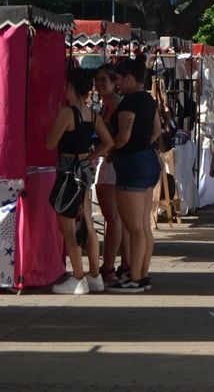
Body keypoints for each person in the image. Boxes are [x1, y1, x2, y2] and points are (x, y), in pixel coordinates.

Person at [45, 68, 114, 295]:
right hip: (84, 170)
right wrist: (91, 157)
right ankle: (95, 276)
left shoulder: (67, 113)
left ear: (70, 87)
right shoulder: (92, 114)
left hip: (67, 171)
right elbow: (108, 141)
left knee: (67, 226)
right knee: (87, 222)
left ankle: (77, 276)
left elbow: (50, 143)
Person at [111, 57, 162, 293]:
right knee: (142, 225)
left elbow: (123, 136)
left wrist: (109, 151)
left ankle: (135, 276)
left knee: (134, 227)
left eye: (118, 78)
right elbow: (157, 131)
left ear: (130, 78)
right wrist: (144, 145)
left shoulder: (129, 102)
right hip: (148, 160)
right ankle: (142, 274)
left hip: (132, 163)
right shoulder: (149, 100)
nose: (117, 83)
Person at [93, 65, 130, 287]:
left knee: (113, 217)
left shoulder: (114, 104)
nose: (99, 84)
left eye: (103, 80)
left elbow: (119, 136)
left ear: (114, 82)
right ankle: (123, 265)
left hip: (111, 162)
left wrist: (104, 153)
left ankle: (108, 267)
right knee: (119, 219)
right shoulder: (107, 104)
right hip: (111, 161)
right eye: (97, 80)